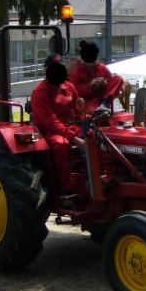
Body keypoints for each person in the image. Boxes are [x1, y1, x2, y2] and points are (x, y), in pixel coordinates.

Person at [30, 54, 86, 191]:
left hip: (70, 126)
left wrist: (87, 120)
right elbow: (50, 122)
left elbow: (78, 109)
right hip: (48, 132)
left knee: (95, 137)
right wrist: (75, 139)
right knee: (62, 145)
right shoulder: (40, 92)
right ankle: (65, 185)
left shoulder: (69, 87)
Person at [69, 40, 125, 112]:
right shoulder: (76, 71)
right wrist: (91, 86)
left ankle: (105, 103)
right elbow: (74, 91)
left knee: (118, 78)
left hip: (103, 98)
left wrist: (105, 83)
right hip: (87, 102)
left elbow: (112, 84)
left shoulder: (103, 68)